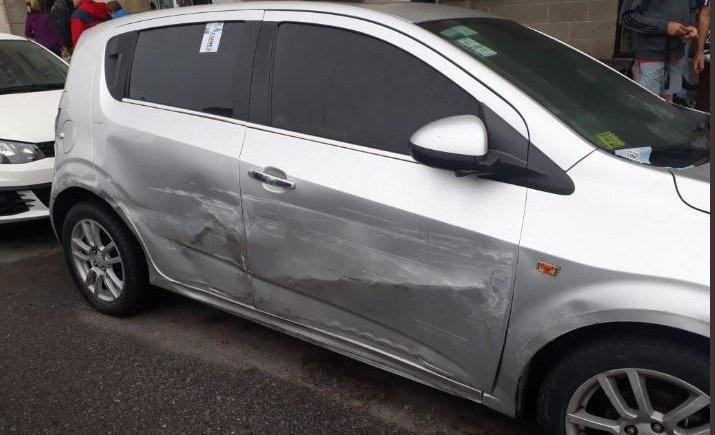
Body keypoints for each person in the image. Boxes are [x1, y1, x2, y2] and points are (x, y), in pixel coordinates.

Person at [619, 0, 701, 102]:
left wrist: (690, 26)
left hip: (676, 55)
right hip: (650, 55)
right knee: (648, 107)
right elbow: (627, 17)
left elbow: (692, 9)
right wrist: (665, 27)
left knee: (666, 109)